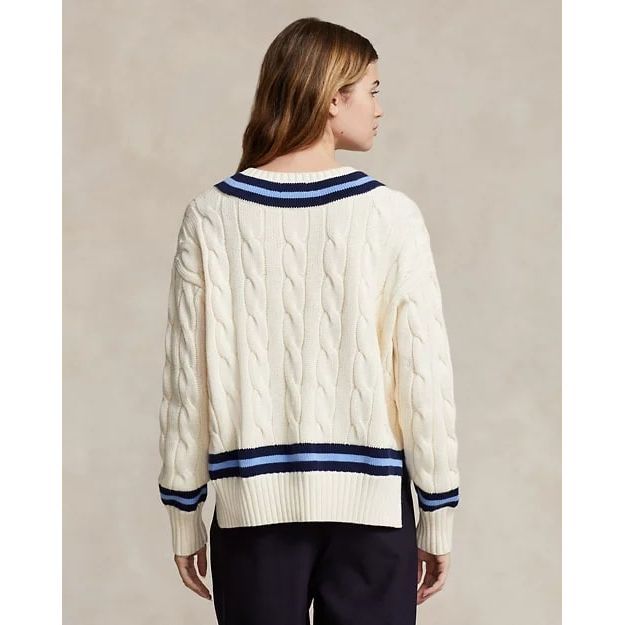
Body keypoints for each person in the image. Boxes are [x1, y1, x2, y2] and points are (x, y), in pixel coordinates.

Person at [157, 16, 460, 625]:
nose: (380, 107)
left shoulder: (210, 217)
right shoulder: (391, 217)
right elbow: (423, 379)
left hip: (251, 514)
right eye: (372, 89)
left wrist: (184, 512)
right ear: (331, 98)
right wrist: (437, 512)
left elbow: (188, 386)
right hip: (374, 513)